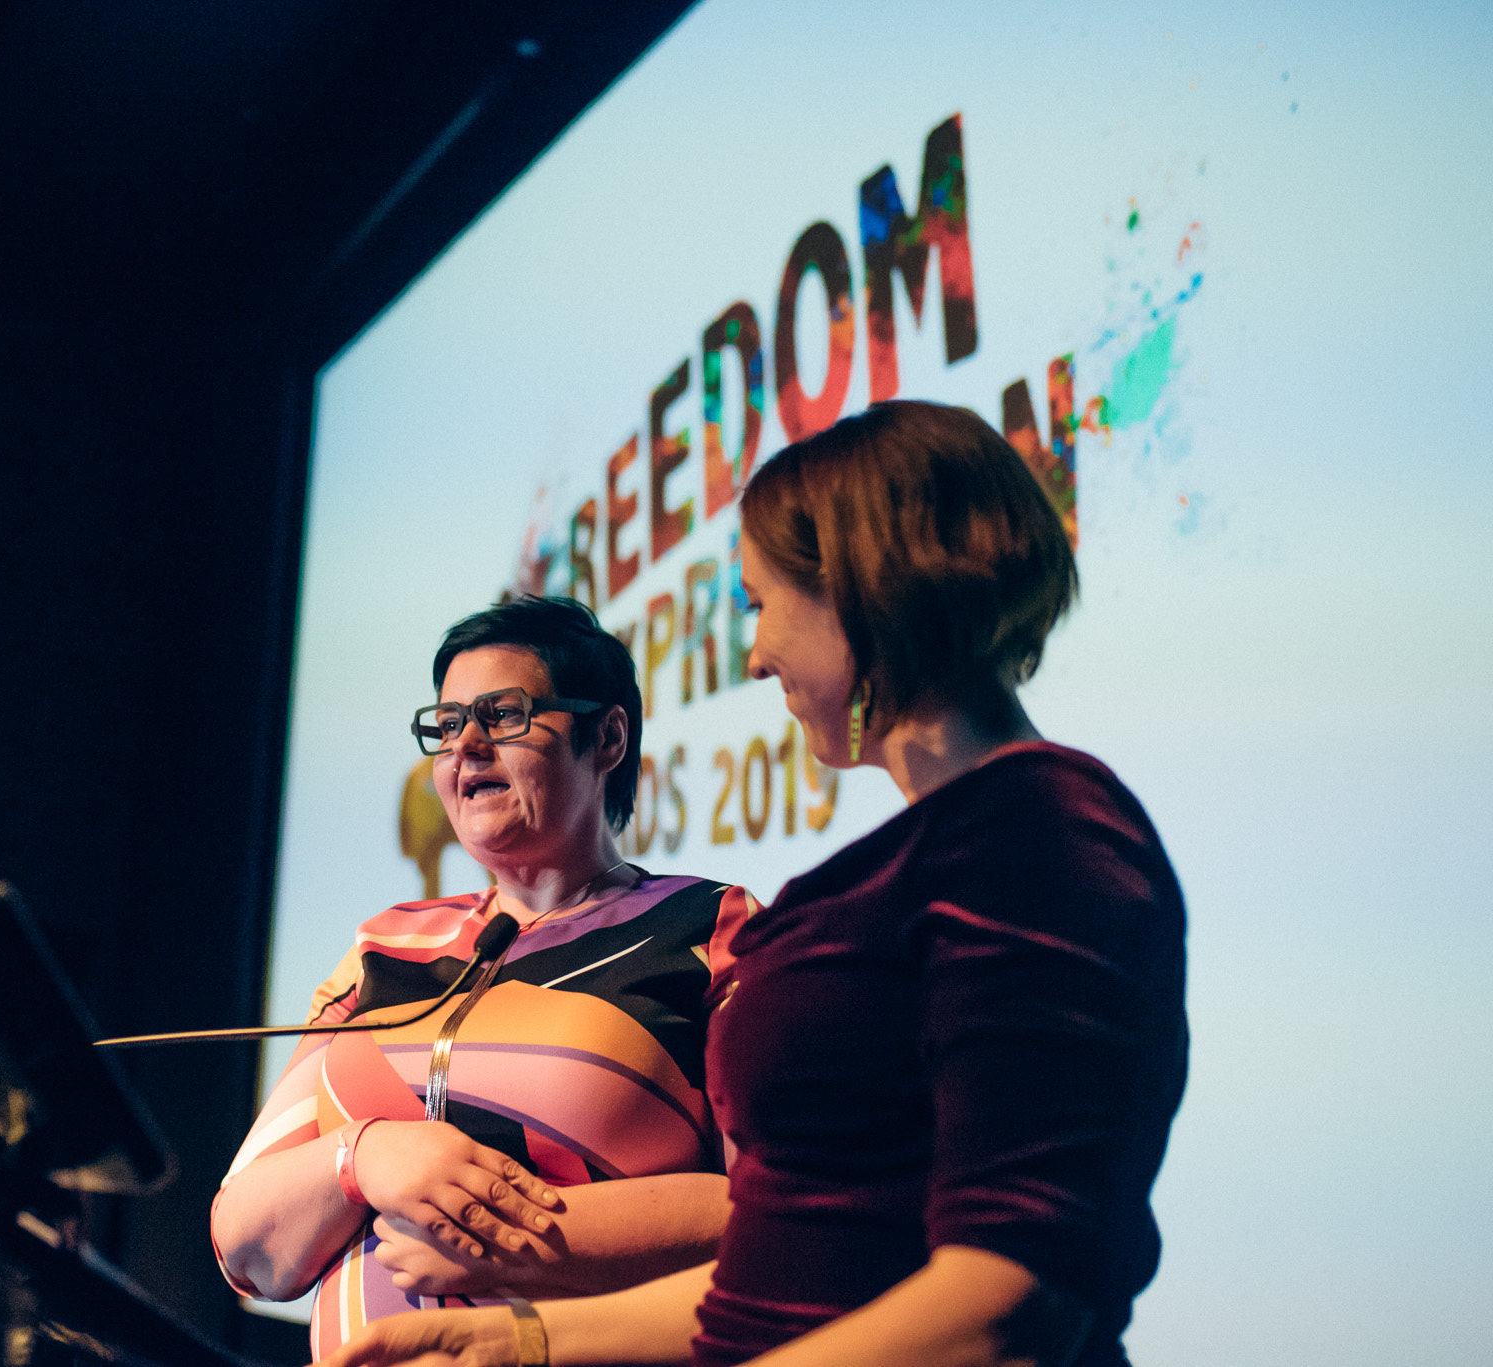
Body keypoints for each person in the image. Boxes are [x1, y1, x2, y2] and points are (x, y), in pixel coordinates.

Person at [314, 401, 1189, 1367]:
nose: (756, 651)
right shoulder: (900, 864)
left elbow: (1010, 1301)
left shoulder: (1037, 829)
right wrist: (520, 1339)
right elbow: (789, 1276)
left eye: (762, 604)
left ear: (860, 589)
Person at [213, 596, 760, 1358]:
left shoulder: (709, 928)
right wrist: (364, 1155)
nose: (465, 745)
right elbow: (245, 1244)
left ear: (606, 737)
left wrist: (513, 1237)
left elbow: (783, 1215)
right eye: (445, 726)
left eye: (502, 715)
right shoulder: (387, 945)